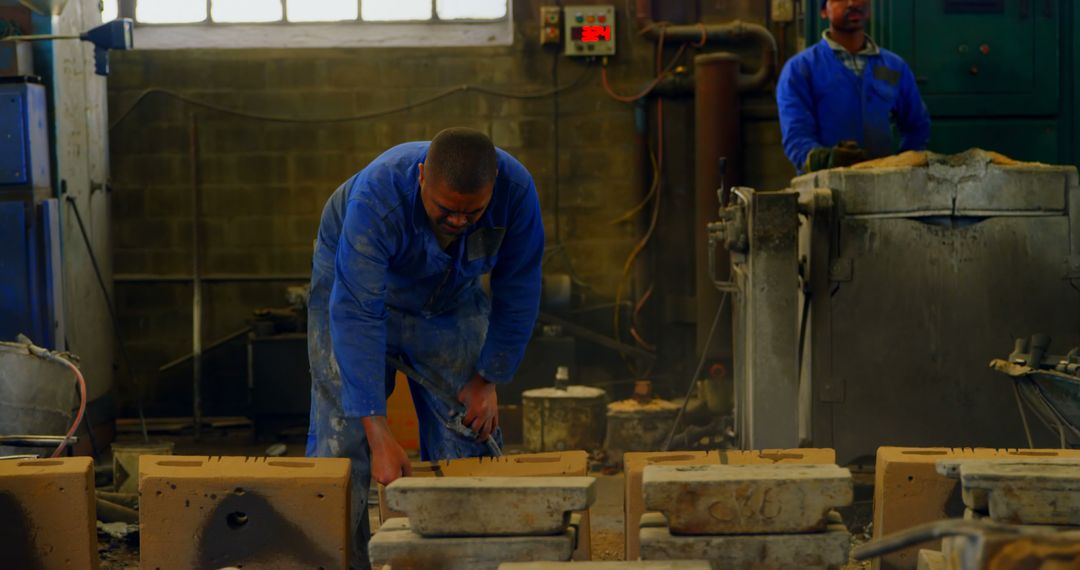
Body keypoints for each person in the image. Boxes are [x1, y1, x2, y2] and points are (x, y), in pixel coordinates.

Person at [306, 127, 544, 567]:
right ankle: (338, 560)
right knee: (342, 441)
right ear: (421, 177)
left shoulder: (517, 191)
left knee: (468, 429)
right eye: (446, 209)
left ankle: (458, 559)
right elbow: (358, 314)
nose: (458, 221)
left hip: (448, 299)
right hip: (354, 291)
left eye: (472, 212)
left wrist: (487, 378)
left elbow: (521, 287)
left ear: (493, 186)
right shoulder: (377, 198)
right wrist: (379, 434)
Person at [776, 0, 931, 173]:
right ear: (823, 11)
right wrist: (824, 160)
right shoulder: (801, 69)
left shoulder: (893, 66)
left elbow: (917, 125)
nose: (852, 3)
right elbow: (796, 134)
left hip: (883, 186)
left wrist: (902, 167)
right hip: (824, 189)